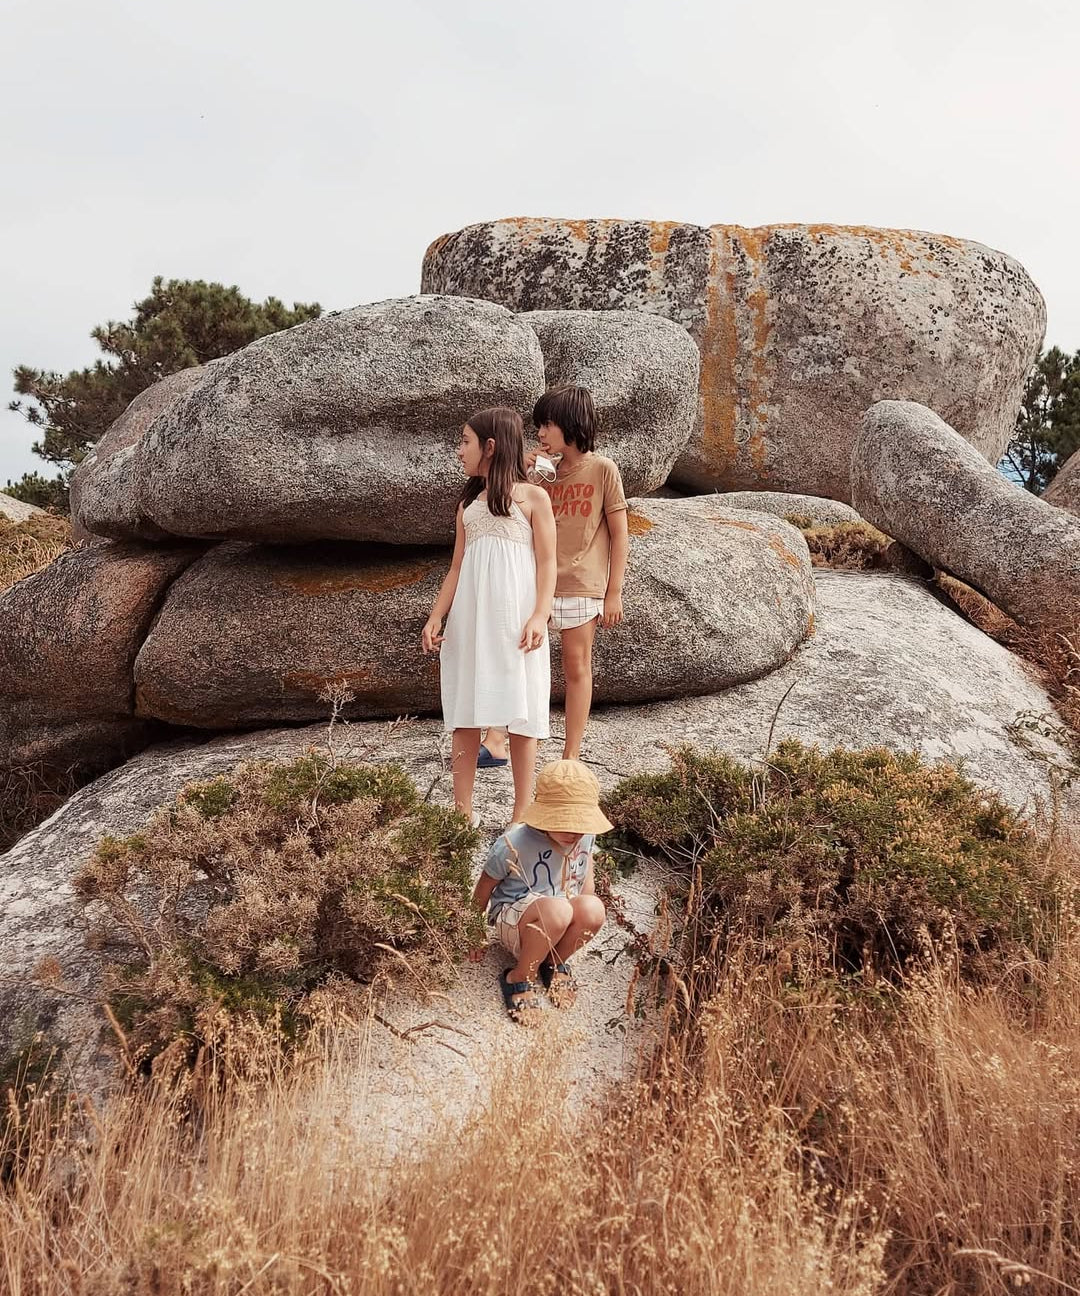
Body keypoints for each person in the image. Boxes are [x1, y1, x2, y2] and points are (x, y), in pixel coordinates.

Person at [422, 407, 556, 826]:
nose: (459, 450)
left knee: (521, 709)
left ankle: (521, 812)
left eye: (465, 442)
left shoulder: (534, 498)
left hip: (516, 619)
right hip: (471, 618)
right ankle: (462, 812)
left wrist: (539, 614)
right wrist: (436, 617)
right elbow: (457, 566)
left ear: (491, 447)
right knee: (465, 708)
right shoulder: (468, 504)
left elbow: (549, 563)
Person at [472, 759, 611, 1024]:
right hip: (517, 920)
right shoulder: (515, 842)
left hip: (558, 916)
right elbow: (485, 886)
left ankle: (553, 962)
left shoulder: (584, 836)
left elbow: (585, 875)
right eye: (565, 821)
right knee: (558, 910)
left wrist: (585, 905)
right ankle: (520, 976)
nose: (574, 832)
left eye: (580, 823)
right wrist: (471, 931)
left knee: (593, 908)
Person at [534, 385, 629, 760]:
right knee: (522, 662)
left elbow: (621, 534)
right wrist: (531, 473)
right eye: (539, 425)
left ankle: (570, 755)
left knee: (576, 667)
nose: (540, 433)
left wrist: (613, 592)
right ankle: (505, 739)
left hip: (581, 585)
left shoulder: (603, 469)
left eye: (547, 424)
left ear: (571, 424)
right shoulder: (547, 471)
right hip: (538, 583)